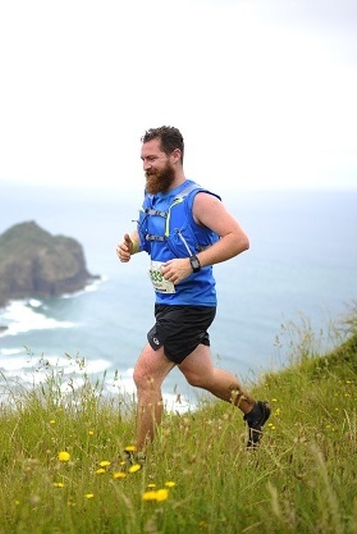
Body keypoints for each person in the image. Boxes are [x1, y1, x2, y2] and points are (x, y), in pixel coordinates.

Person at [116, 125, 270, 455]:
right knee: (201, 376)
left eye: (152, 158)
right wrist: (131, 245)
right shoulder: (153, 195)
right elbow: (153, 236)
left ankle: (138, 460)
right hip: (167, 301)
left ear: (176, 155)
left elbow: (239, 239)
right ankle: (255, 412)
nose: (145, 166)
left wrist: (192, 263)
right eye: (142, 159)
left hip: (191, 304)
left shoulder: (199, 200)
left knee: (145, 375)